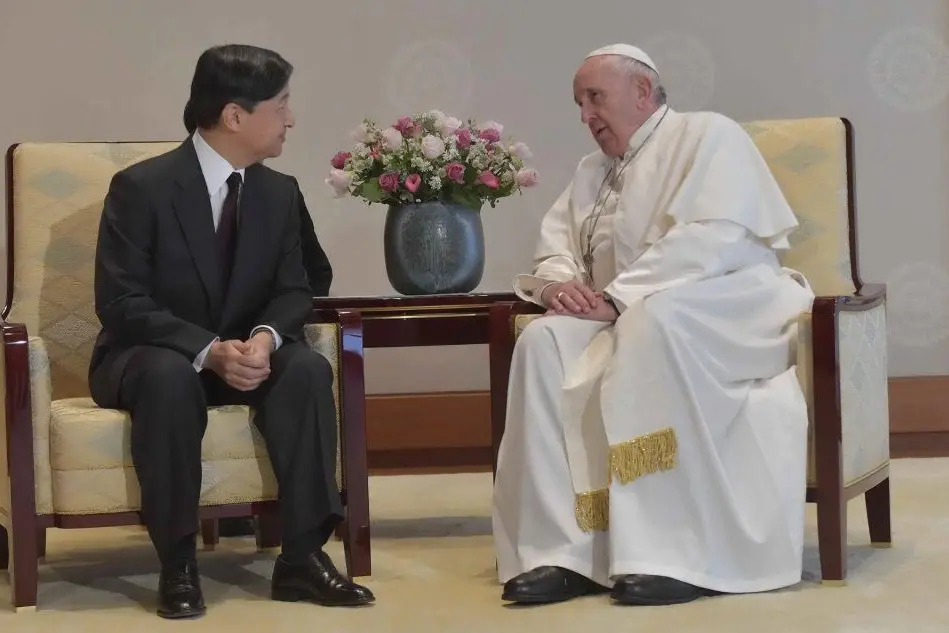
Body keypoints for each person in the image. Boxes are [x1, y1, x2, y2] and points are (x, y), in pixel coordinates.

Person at [492, 43, 815, 607]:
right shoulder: (593, 171)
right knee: (543, 341)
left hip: (724, 307)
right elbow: (558, 248)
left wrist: (619, 299)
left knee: (657, 320)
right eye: (579, 103)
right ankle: (564, 552)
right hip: (626, 312)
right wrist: (560, 286)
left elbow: (717, 237)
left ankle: (671, 553)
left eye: (595, 98)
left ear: (642, 92)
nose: (585, 116)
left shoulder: (707, 134)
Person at [89, 44, 374, 619]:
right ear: (234, 115)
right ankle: (178, 562)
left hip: (248, 353)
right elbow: (120, 301)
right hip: (155, 356)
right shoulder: (141, 188)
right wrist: (207, 349)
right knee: (170, 379)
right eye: (281, 104)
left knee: (306, 369)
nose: (290, 119)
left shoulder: (278, 192)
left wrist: (266, 338)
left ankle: (301, 556)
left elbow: (300, 285)